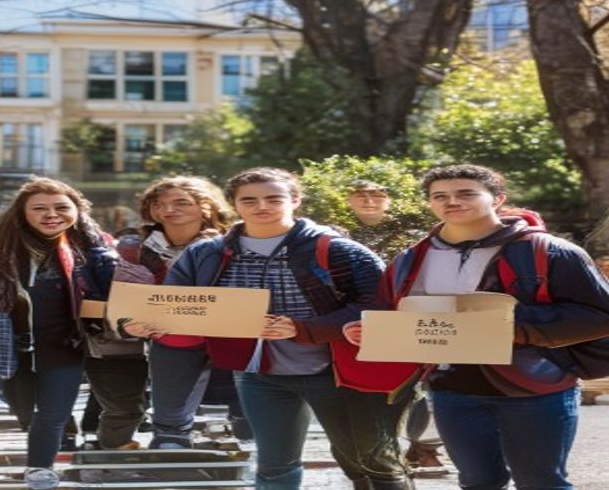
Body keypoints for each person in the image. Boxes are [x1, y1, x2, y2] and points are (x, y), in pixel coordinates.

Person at [344, 164, 609, 490]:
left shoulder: (550, 251)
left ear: (498, 198)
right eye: (440, 196)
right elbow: (390, 311)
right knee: (478, 482)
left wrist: (510, 327)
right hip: (451, 391)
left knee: (541, 483)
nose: (451, 201)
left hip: (536, 388)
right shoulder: (410, 258)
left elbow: (599, 316)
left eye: (466, 193)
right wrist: (366, 330)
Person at [165, 167, 410, 489]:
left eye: (273, 198)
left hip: (335, 371)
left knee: (367, 458)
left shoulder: (339, 250)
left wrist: (304, 329)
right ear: (234, 205)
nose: (261, 207)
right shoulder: (205, 253)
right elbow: (173, 303)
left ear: (295, 200)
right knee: (274, 464)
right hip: (258, 374)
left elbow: (377, 304)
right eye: (249, 200)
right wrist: (150, 323)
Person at [0, 177, 115, 490]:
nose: (51, 214)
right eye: (39, 208)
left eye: (61, 207)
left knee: (54, 414)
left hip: (62, 345)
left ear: (78, 211)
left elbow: (111, 292)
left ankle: (40, 470)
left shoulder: (87, 251)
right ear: (21, 212)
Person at [119, 176, 242, 449]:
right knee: (171, 414)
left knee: (245, 409)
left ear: (206, 207)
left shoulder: (234, 244)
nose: (168, 210)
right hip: (170, 337)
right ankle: (171, 446)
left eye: (181, 202)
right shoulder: (134, 248)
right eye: (159, 204)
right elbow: (122, 298)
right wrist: (130, 321)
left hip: (230, 334)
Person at [345, 180, 442, 469]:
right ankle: (384, 456)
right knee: (375, 397)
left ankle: (423, 447)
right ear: (348, 200)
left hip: (411, 320)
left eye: (377, 195)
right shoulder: (341, 236)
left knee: (422, 388)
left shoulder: (412, 238)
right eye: (360, 195)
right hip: (360, 323)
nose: (369, 201)